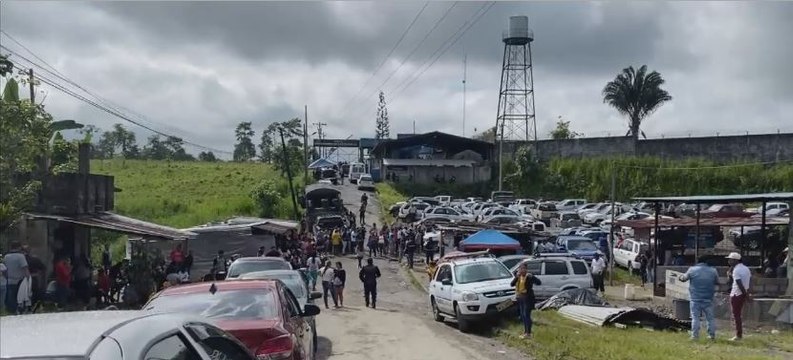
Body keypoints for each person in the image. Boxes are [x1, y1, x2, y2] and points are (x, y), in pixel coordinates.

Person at [679, 256, 720, 341]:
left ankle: (695, 336)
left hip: (695, 298)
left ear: (698, 261)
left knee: (695, 317)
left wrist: (680, 277)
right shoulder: (713, 270)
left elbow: (683, 279)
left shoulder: (692, 269)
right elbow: (717, 282)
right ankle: (711, 336)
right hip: (708, 298)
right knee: (710, 318)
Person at [511, 262, 542, 339]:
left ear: (526, 269)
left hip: (527, 298)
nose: (522, 270)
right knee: (522, 315)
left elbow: (539, 283)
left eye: (523, 268)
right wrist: (516, 277)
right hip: (520, 297)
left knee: (526, 315)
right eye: (520, 268)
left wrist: (533, 277)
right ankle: (525, 332)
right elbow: (512, 284)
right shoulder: (518, 276)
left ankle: (528, 333)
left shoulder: (529, 276)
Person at [726, 252, 751, 341]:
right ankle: (739, 334)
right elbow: (748, 282)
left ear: (735, 260)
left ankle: (738, 335)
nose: (729, 261)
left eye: (730, 260)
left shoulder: (736, 270)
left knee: (736, 315)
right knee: (738, 314)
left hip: (736, 294)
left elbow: (739, 283)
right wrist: (747, 293)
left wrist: (745, 294)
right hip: (743, 293)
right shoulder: (746, 269)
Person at [3, 242, 29, 313]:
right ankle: (19, 310)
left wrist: (6, 277)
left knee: (11, 297)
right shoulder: (21, 256)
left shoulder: (6, 256)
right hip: (19, 280)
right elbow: (25, 268)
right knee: (20, 297)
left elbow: (4, 269)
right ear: (19, 247)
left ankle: (11, 311)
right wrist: (28, 279)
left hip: (9, 280)